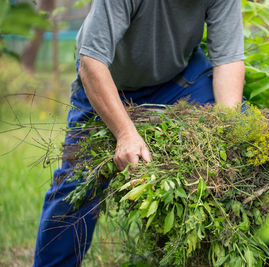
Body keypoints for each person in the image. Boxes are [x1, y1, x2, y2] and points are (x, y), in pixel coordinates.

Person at [33, 0, 245, 266]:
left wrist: (228, 129)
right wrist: (125, 133)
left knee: (242, 151)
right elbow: (91, 62)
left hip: (177, 81)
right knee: (76, 183)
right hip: (108, 80)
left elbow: (228, 60)